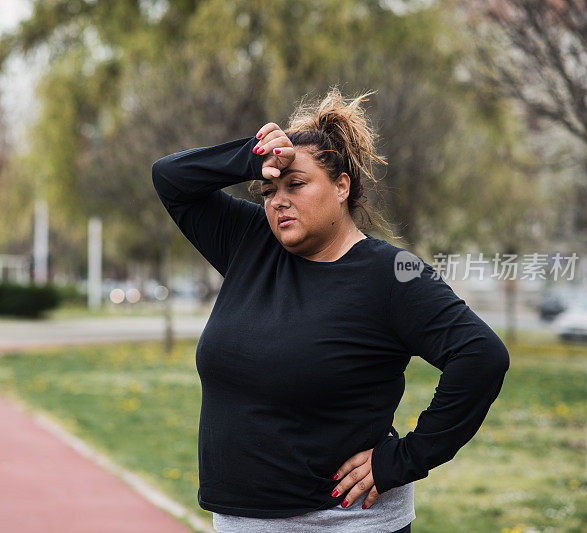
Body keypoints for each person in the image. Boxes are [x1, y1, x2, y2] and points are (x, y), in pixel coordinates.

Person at [151, 87, 510, 533]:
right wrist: (251, 155)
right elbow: (170, 178)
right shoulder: (251, 243)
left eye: (296, 185)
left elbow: (481, 356)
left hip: (344, 524)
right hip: (240, 523)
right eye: (268, 190)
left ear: (341, 187)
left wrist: (404, 460)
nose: (279, 200)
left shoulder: (392, 272)